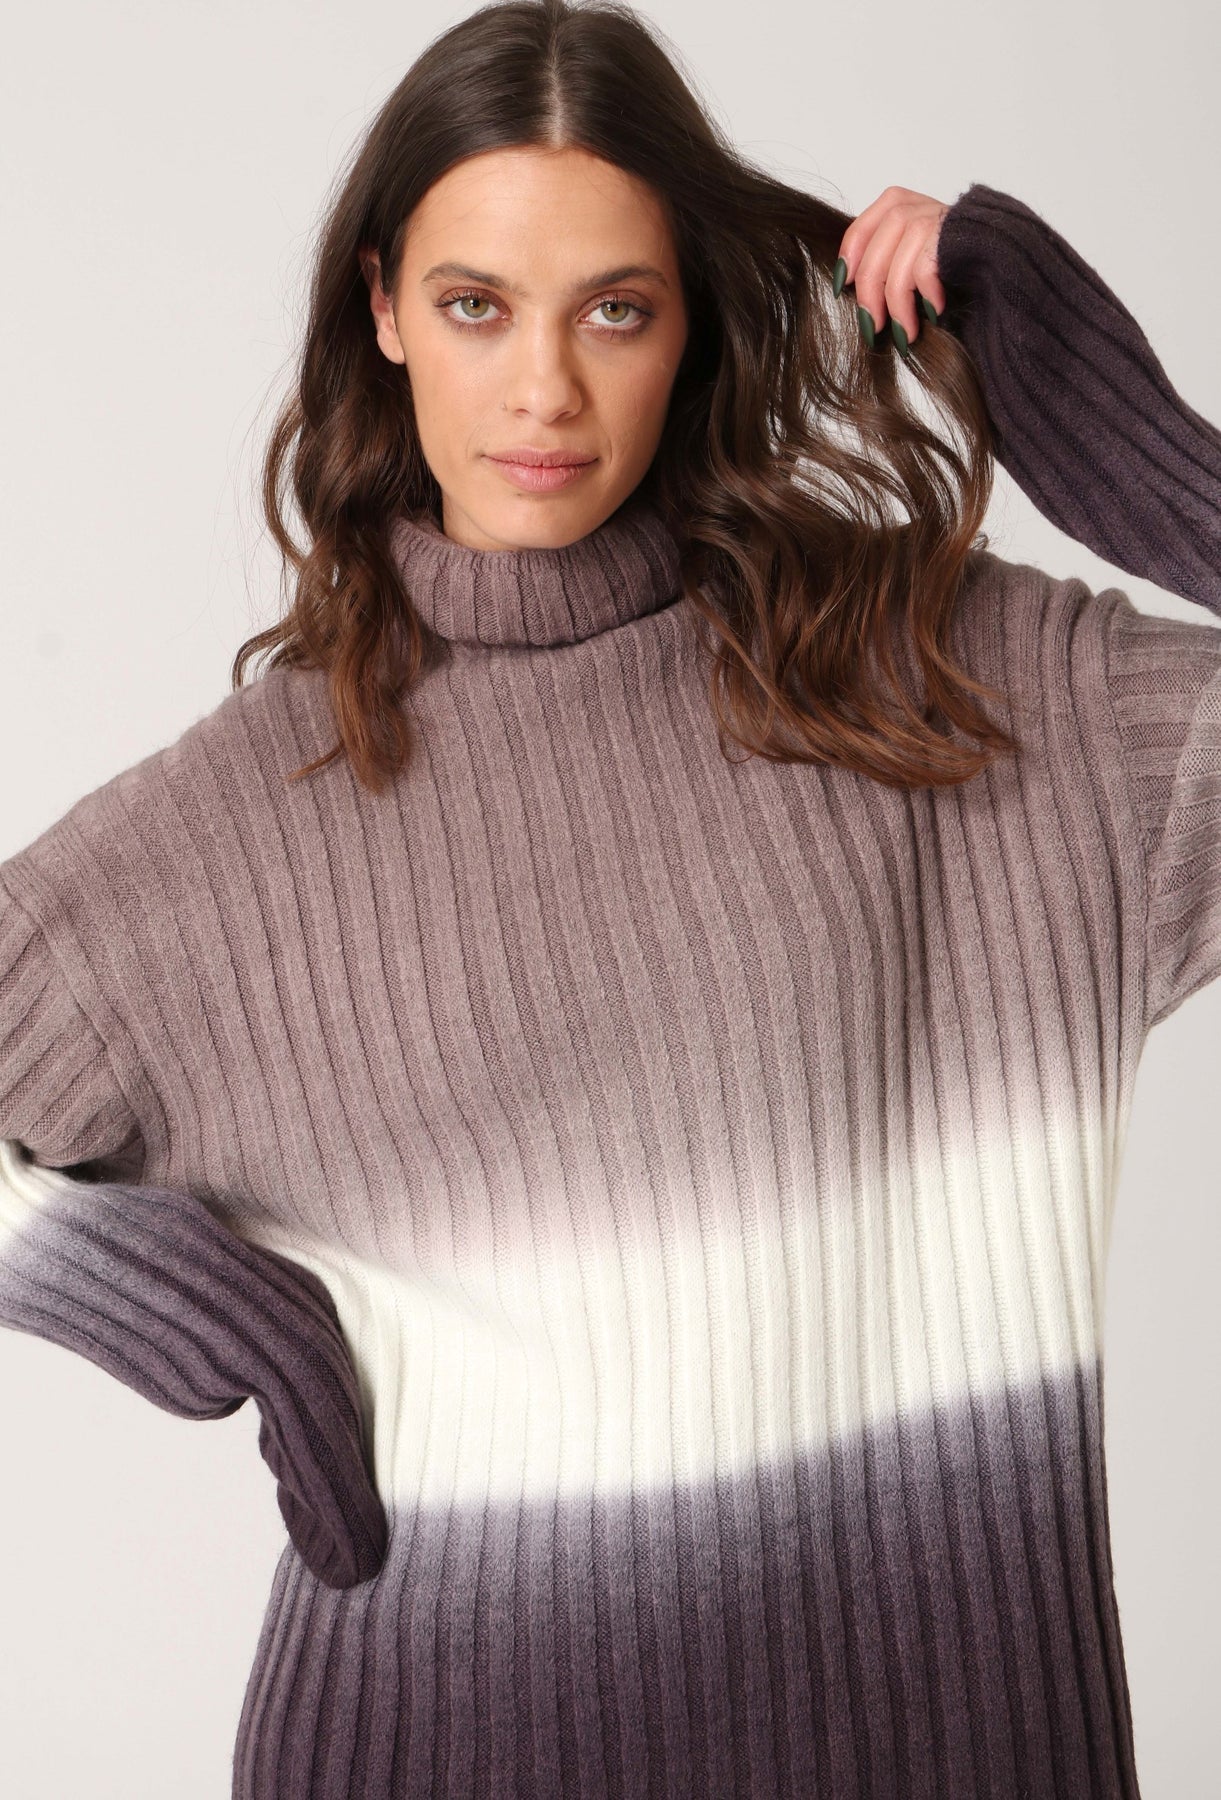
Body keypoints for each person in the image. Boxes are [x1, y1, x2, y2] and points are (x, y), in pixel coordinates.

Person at [1, 1, 1217, 1794]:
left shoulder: (954, 689)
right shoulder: (234, 829)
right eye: (475, 304)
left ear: (693, 321)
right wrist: (143, 1291)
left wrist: (1106, 421)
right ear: (382, 309)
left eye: (614, 310)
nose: (543, 391)